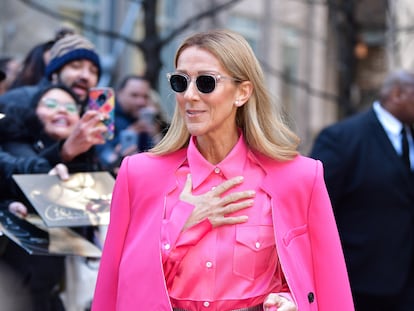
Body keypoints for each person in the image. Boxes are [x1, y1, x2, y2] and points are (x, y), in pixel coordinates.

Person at [92, 29, 354, 311]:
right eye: (181, 82)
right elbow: (117, 286)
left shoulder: (299, 177)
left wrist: (290, 300)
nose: (189, 95)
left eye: (206, 82)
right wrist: (186, 221)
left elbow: (327, 288)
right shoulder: (139, 175)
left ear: (242, 92)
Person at [309, 69, 414, 311]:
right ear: (397, 94)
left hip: (407, 286)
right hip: (358, 285)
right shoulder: (341, 139)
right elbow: (315, 209)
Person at [0, 83, 107, 311]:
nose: (61, 110)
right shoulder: (13, 144)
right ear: (33, 112)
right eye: (50, 104)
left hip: (52, 288)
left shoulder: (89, 159)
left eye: (70, 107)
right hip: (11, 286)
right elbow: (18, 170)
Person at [0, 33, 101, 112]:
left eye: (93, 71)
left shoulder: (93, 114)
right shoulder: (18, 101)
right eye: (76, 66)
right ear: (55, 74)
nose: (85, 76)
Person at [96, 75, 169, 174]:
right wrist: (131, 132)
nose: (141, 102)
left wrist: (156, 131)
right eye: (134, 95)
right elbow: (102, 153)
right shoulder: (105, 115)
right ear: (119, 94)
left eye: (145, 96)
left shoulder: (147, 119)